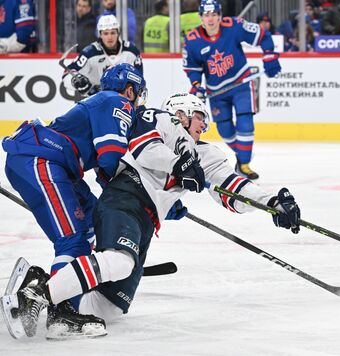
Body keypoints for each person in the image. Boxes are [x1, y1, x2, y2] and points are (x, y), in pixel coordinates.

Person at [3, 93, 301, 339]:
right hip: (125, 197)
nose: (203, 125)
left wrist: (271, 203)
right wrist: (178, 165)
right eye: (199, 117)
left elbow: (231, 189)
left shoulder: (207, 154)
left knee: (111, 306)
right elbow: (145, 149)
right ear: (182, 113)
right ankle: (40, 293)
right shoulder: (161, 119)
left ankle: (57, 297)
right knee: (120, 261)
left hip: (147, 220)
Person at [1, 63, 147, 339]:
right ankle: (60, 309)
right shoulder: (117, 102)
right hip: (42, 160)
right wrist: (143, 191)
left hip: (54, 164)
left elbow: (106, 171)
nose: (137, 100)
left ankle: (65, 279)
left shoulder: (102, 101)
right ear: (130, 90)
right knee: (73, 238)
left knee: (93, 220)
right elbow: (109, 159)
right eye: (137, 93)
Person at [183, 0, 282, 180]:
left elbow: (263, 35)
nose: (211, 19)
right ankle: (243, 153)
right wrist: (196, 85)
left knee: (245, 121)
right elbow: (192, 67)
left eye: (214, 14)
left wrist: (269, 56)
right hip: (216, 92)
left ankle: (243, 164)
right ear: (201, 18)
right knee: (225, 129)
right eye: (206, 15)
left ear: (220, 16)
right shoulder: (192, 40)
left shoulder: (234, 25)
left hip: (241, 83)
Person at [62, 15, 143, 97]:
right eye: (106, 33)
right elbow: (67, 74)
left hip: (124, 100)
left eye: (113, 33)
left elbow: (140, 80)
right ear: (100, 34)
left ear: (118, 33)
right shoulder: (89, 52)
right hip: (95, 101)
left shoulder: (132, 51)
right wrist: (75, 82)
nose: (109, 37)